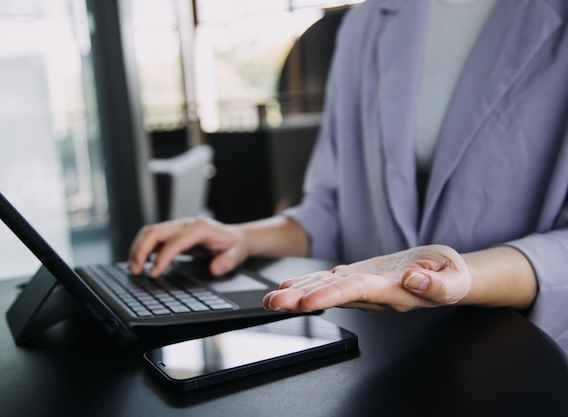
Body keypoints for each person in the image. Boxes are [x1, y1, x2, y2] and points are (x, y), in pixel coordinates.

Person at [130, 0, 568, 354]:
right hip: (378, 349)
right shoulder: (366, 22)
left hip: (518, 350)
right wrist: (243, 237)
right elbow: (331, 207)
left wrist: (461, 277)